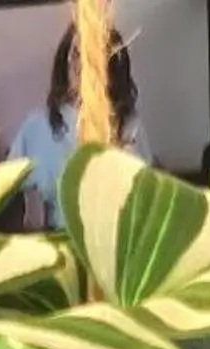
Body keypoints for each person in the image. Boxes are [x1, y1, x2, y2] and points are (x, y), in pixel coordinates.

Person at [10, 29, 147, 229]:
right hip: (58, 238)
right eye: (76, 54)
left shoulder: (129, 125)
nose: (83, 65)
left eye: (95, 56)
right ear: (64, 62)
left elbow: (143, 200)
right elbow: (26, 213)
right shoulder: (36, 127)